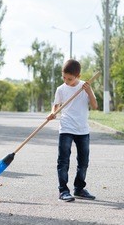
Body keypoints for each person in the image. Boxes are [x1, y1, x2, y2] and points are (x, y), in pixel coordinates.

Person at [47, 59, 98, 202]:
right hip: (66, 128)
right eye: (64, 77)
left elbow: (95, 106)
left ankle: (79, 188)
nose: (66, 81)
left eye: (69, 78)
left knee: (83, 161)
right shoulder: (61, 89)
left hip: (82, 129)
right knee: (63, 160)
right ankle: (63, 190)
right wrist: (53, 113)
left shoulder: (84, 87)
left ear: (78, 76)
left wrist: (89, 92)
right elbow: (56, 106)